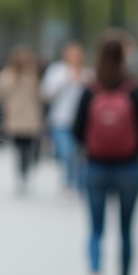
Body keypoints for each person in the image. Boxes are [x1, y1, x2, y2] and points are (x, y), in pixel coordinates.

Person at [73, 31, 138, 275]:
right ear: (125, 56)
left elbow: (77, 130)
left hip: (95, 167)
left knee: (95, 229)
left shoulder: (90, 89)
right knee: (126, 230)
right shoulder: (135, 90)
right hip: (128, 168)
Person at [40, 41, 91, 193]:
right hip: (60, 120)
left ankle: (81, 184)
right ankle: (67, 182)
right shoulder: (57, 71)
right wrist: (64, 81)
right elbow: (46, 93)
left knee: (81, 155)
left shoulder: (88, 74)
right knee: (66, 153)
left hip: (81, 122)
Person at [0, 45, 44, 191]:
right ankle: (25, 171)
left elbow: (1, 95)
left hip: (15, 117)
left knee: (19, 148)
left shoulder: (7, 75)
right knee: (27, 147)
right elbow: (40, 95)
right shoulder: (31, 75)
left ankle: (22, 173)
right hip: (30, 117)